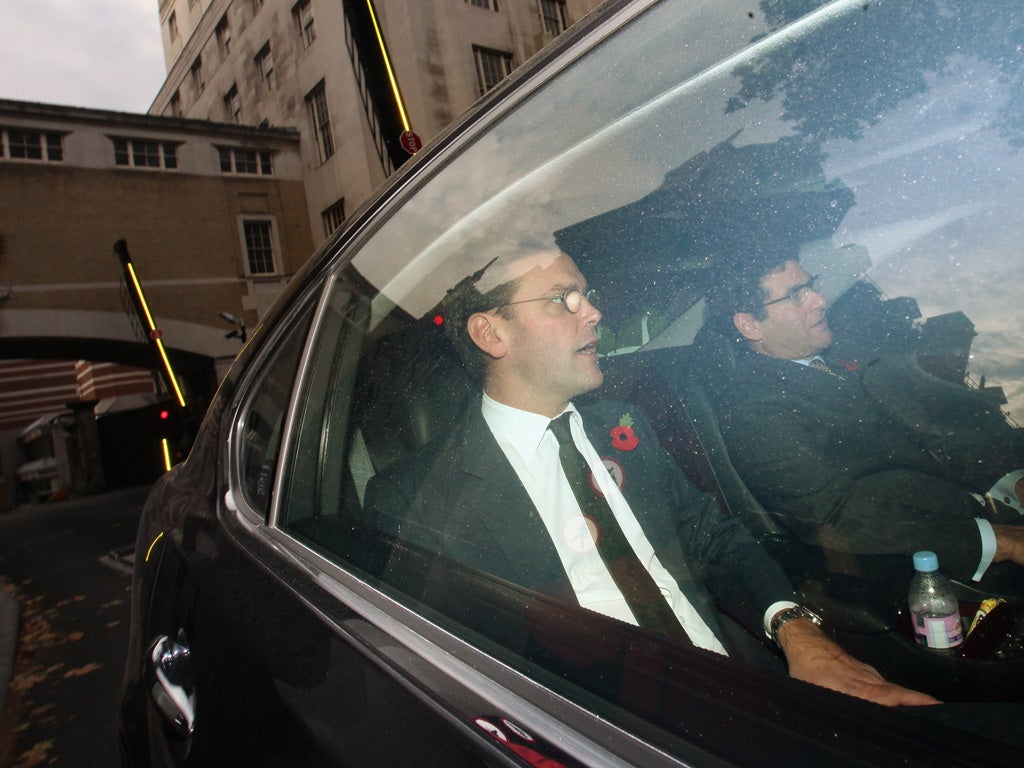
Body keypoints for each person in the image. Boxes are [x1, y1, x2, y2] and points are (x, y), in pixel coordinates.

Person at [364, 244, 935, 706]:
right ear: (492, 334)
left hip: (753, 688)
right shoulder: (415, 498)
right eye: (563, 299)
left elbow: (714, 536)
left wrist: (794, 629)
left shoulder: (623, 425)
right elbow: (457, 683)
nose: (592, 312)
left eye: (585, 295)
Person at [697, 251, 1024, 590]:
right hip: (939, 569)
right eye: (796, 295)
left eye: (812, 286)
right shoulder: (754, 411)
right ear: (749, 324)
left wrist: (1010, 481)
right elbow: (835, 518)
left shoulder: (837, 364)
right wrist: (998, 540)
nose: (821, 300)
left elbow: (930, 435)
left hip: (987, 516)